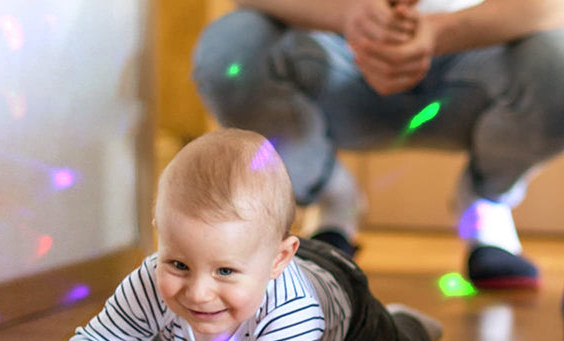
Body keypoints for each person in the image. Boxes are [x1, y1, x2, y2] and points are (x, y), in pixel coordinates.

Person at [49, 129, 442, 341]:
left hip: (342, 312)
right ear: (160, 234)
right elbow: (102, 336)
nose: (199, 292)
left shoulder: (290, 312)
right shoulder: (152, 280)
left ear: (277, 259)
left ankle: (406, 322)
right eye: (179, 264)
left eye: (225, 271)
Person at [192, 0, 564, 289]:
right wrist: (348, 15)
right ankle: (333, 199)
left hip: (474, 58)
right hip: (333, 57)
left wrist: (440, 31)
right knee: (228, 50)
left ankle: (486, 204)